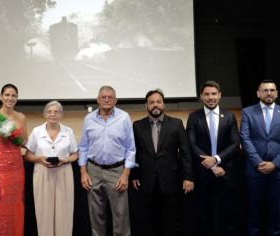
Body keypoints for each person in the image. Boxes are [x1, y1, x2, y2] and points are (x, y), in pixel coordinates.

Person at [132, 89, 194, 236]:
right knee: (150, 222)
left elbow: (185, 153)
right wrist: (134, 175)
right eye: (152, 102)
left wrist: (188, 177)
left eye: (158, 102)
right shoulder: (137, 126)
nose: (155, 105)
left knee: (172, 222)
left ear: (163, 104)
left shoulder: (176, 124)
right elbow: (134, 152)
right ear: (146, 106)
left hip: (171, 182)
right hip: (147, 182)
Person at [78, 85, 136, 236]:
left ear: (115, 100)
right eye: (103, 97)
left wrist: (125, 174)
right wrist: (83, 172)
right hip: (93, 171)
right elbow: (83, 148)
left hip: (116, 172)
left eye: (110, 97)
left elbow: (130, 149)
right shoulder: (89, 119)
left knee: (120, 216)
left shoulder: (124, 117)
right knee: (96, 216)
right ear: (97, 100)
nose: (106, 99)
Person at [186, 81, 240, 236]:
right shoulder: (194, 117)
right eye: (207, 94)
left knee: (228, 215)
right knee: (203, 216)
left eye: (214, 94)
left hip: (226, 173)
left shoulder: (229, 116)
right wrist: (212, 166)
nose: (211, 97)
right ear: (201, 97)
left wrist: (216, 159)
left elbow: (235, 143)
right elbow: (192, 144)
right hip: (203, 174)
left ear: (220, 95)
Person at [25, 101, 78, 236]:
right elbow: (28, 155)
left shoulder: (68, 131)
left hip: (64, 172)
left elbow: (75, 154)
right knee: (44, 211)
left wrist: (65, 160)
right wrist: (39, 158)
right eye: (49, 112)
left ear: (61, 115)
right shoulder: (37, 131)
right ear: (44, 114)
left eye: (56, 112)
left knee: (64, 211)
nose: (53, 114)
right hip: (42, 173)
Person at [0, 84, 27, 236]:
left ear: (17, 98)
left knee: (16, 208)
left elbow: (23, 142)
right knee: (1, 211)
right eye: (7, 95)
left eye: (13, 95)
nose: (10, 98)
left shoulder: (21, 117)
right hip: (0, 170)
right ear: (1, 97)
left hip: (17, 169)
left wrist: (16, 135)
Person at [240, 79, 280, 236]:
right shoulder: (248, 112)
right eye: (265, 90)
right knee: (254, 210)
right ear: (258, 93)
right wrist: (258, 163)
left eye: (272, 90)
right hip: (254, 171)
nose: (268, 93)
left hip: (277, 171)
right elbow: (245, 138)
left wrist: (275, 164)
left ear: (276, 93)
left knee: (276, 211)